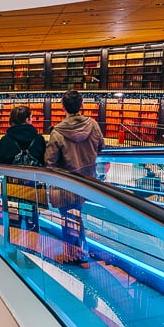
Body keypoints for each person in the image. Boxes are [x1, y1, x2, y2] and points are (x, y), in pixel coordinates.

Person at [45, 90, 105, 267]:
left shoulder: (57, 132)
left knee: (69, 219)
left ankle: (74, 255)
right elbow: (101, 146)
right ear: (82, 105)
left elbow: (49, 161)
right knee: (75, 217)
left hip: (65, 184)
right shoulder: (93, 125)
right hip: (86, 183)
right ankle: (79, 254)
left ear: (62, 107)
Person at [0, 105, 46, 231]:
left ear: (11, 120)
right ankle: (33, 248)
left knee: (13, 223)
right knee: (33, 222)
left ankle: (13, 248)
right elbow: (44, 163)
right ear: (28, 119)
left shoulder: (5, 140)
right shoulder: (39, 139)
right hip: (33, 187)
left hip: (12, 187)